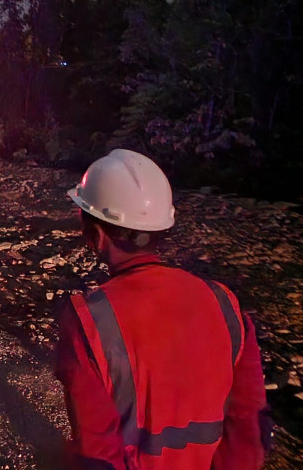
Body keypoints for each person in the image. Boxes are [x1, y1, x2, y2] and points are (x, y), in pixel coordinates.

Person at [56, 149, 271, 470]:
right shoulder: (225, 304)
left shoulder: (86, 322)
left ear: (98, 236)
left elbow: (96, 452)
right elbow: (248, 424)